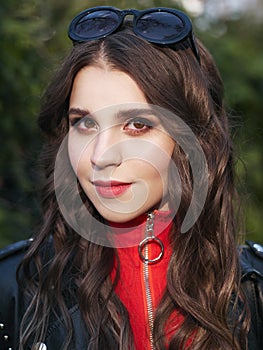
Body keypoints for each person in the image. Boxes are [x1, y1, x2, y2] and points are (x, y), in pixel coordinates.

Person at [0, 6, 262, 350]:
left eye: (137, 125)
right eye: (85, 123)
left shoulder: (253, 290)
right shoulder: (14, 288)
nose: (100, 156)